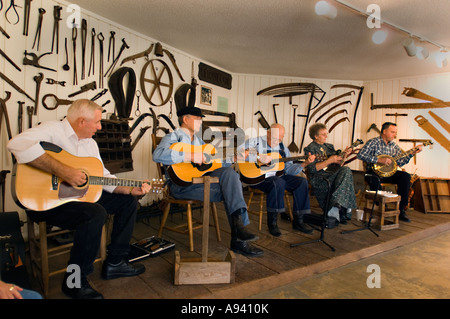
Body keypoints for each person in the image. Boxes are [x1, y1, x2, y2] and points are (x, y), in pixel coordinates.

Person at [7, 99, 152, 299]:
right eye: (97, 122)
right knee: (94, 214)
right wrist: (63, 171)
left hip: (80, 198)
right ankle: (74, 281)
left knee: (127, 202)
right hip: (47, 202)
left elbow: (103, 178)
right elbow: (15, 144)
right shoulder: (53, 130)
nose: (100, 127)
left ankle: (115, 263)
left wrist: (129, 190)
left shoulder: (90, 144)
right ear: (82, 121)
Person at [152, 106, 263, 256]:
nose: (200, 123)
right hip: (182, 187)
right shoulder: (173, 137)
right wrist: (189, 156)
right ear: (185, 119)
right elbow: (157, 155)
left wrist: (234, 158)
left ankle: (239, 233)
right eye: (198, 119)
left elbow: (213, 163)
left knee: (230, 174)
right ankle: (239, 241)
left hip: (202, 183)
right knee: (231, 190)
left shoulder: (199, 142)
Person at [238, 123, 315, 236]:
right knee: (278, 182)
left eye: (280, 139)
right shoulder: (256, 141)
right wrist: (259, 157)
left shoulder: (283, 149)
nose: (276, 142)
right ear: (267, 133)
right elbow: (240, 151)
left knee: (301, 182)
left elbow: (289, 170)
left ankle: (299, 220)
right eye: (274, 139)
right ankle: (273, 223)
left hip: (278, 177)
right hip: (258, 179)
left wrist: (304, 164)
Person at [357, 122, 422, 222]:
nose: (394, 135)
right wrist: (378, 160)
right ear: (384, 131)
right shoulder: (373, 142)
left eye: (395, 132)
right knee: (374, 180)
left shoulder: (394, 146)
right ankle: (383, 207)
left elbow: (400, 162)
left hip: (389, 174)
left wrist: (411, 154)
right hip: (373, 173)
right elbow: (360, 155)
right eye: (392, 132)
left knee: (405, 176)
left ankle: (401, 210)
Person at [304, 123, 357, 224]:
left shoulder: (329, 147)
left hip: (332, 174)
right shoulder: (310, 149)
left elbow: (339, 164)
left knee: (346, 170)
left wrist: (345, 156)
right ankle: (341, 208)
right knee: (345, 172)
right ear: (315, 136)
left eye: (326, 134)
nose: (326, 136)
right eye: (323, 134)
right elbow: (312, 169)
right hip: (319, 177)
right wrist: (329, 160)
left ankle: (337, 205)